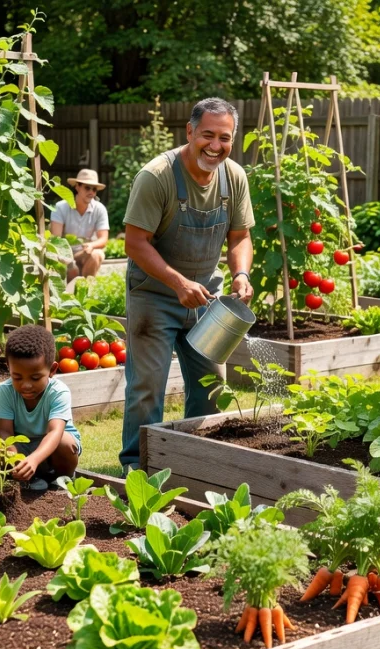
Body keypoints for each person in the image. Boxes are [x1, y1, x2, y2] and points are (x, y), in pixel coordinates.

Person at [119, 97, 254, 473]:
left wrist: (241, 273)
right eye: (207, 135)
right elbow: (135, 243)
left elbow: (240, 237)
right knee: (147, 387)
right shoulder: (157, 176)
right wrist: (177, 282)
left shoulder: (234, 177)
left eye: (224, 138)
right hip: (154, 296)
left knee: (212, 384)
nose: (215, 145)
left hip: (207, 297)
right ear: (190, 132)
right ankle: (139, 465)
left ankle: (195, 459)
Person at [0, 324, 82, 491]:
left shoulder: (58, 392)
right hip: (23, 447)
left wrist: (34, 459)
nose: (26, 385)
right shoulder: (6, 391)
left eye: (35, 378)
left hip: (53, 446)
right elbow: (5, 432)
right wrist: (14, 457)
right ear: (8, 368)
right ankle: (29, 479)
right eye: (17, 377)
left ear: (52, 370)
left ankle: (61, 479)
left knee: (64, 442)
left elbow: (54, 433)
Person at [51, 169, 110, 280]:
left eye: (94, 189)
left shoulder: (100, 209)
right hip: (64, 254)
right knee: (72, 269)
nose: (91, 192)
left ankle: (86, 288)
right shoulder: (60, 207)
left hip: (85, 252)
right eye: (87, 187)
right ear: (77, 187)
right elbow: (55, 239)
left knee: (97, 254)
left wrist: (92, 245)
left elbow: (104, 239)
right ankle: (69, 292)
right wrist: (66, 258)